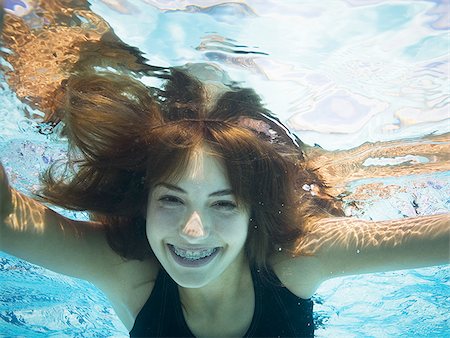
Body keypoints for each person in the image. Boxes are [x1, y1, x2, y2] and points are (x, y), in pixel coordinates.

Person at [0, 66, 449, 337]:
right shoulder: (130, 269)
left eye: (224, 204)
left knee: (315, 180)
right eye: (172, 200)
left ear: (254, 212)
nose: (192, 231)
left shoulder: (297, 255)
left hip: (274, 150)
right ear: (145, 202)